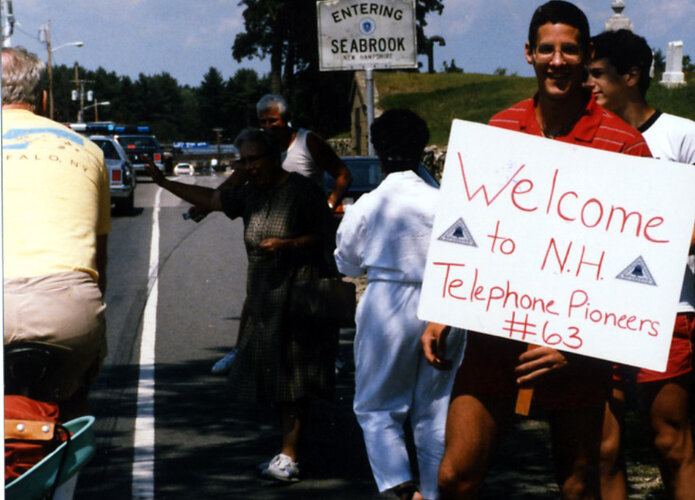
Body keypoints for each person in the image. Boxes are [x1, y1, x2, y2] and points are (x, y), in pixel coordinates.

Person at [421, 3, 652, 499]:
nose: (558, 60)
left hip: (577, 351)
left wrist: (573, 340)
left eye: (570, 49)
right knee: (454, 477)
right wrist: (444, 310)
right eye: (546, 48)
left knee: (577, 486)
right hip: (494, 336)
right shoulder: (500, 129)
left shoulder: (625, 146)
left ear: (587, 54)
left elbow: (639, 276)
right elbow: (471, 229)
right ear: (529, 53)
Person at [585, 30, 695, 500]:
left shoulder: (682, 134)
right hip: (592, 308)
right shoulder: (580, 136)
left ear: (631, 76)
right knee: (603, 448)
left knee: (669, 441)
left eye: (596, 73)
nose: (588, 84)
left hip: (663, 308)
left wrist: (647, 252)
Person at [147, 128, 337, 482]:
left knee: (293, 376)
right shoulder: (250, 195)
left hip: (299, 296)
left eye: (255, 159)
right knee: (276, 377)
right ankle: (287, 449)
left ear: (274, 156)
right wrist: (162, 182)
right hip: (265, 299)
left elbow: (326, 235)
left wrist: (289, 244)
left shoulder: (301, 191)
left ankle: (290, 454)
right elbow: (210, 199)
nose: (249, 167)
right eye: (244, 161)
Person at [335, 109, 464, 500]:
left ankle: (403, 490)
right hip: (443, 302)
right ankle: (433, 491)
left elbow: (347, 261)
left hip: (387, 300)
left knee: (377, 407)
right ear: (422, 149)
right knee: (435, 410)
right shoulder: (444, 202)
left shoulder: (368, 205)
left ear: (376, 149)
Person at [2, 46, 110, 421]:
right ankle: (66, 466)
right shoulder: (89, 150)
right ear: (43, 99)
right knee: (73, 403)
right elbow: (100, 259)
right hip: (68, 309)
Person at [209, 93, 352, 375]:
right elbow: (236, 180)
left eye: (273, 121)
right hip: (272, 225)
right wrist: (207, 203)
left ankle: (329, 354)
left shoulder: (307, 141)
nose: (268, 127)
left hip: (308, 228)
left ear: (286, 119)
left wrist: (329, 205)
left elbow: (342, 174)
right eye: (263, 122)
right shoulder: (261, 147)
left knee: (320, 289)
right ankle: (241, 350)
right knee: (258, 288)